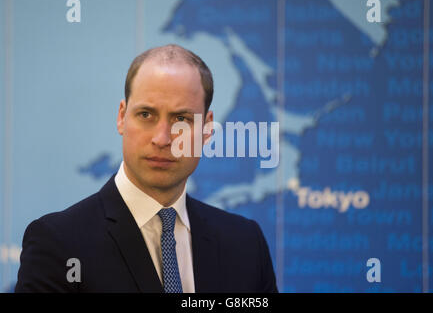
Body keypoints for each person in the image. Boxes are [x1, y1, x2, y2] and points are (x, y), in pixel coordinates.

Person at [15, 44, 278, 293]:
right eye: (146, 115)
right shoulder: (58, 243)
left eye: (181, 119)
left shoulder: (245, 244)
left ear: (207, 129)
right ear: (121, 116)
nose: (162, 139)